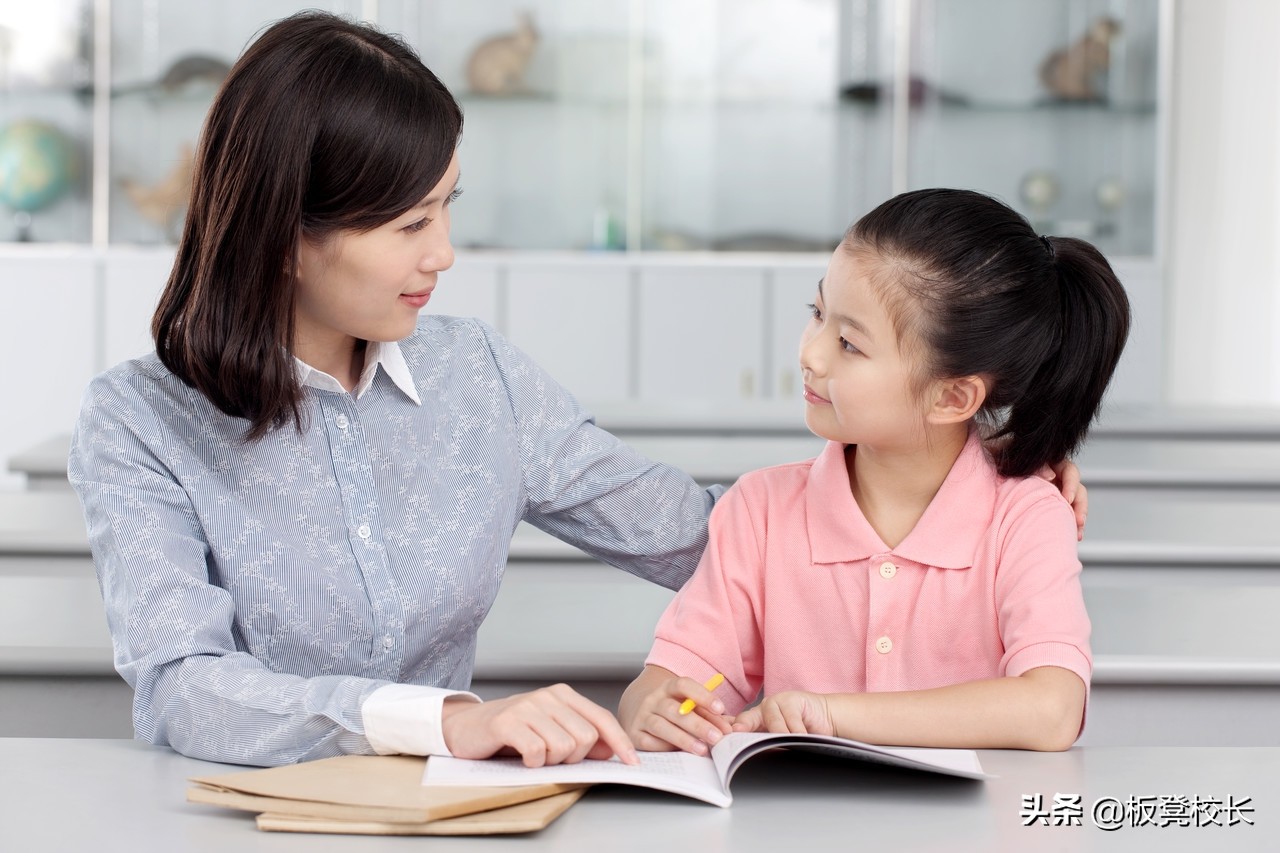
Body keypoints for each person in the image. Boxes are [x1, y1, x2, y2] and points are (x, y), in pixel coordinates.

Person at [68, 13, 1089, 769]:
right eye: (409, 225)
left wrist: (970, 460)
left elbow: (713, 538)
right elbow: (184, 689)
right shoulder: (138, 421)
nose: (447, 253)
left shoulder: (480, 380)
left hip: (457, 814)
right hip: (236, 822)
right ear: (290, 232)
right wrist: (448, 720)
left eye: (447, 209)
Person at [619, 188, 1129, 754]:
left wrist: (831, 715)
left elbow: (1051, 710)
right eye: (816, 313)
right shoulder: (759, 509)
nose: (810, 354)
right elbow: (670, 679)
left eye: (847, 343)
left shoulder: (1026, 516)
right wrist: (652, 707)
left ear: (952, 397)